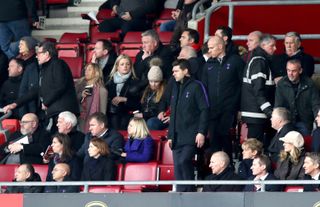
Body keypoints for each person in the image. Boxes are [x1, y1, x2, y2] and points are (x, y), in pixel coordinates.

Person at [3, 41, 80, 134]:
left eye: (39, 53)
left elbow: (60, 86)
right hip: (54, 112)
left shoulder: (58, 64)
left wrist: (46, 102)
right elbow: (36, 90)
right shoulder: (44, 68)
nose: (36, 56)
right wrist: (15, 104)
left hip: (64, 112)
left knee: (64, 142)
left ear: (47, 54)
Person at [168, 59, 209, 192]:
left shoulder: (197, 86)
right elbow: (173, 113)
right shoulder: (175, 87)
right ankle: (181, 194)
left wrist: (201, 132)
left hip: (191, 135)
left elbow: (205, 110)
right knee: (178, 167)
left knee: (183, 161)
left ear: (185, 71)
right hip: (176, 136)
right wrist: (170, 135)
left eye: (176, 71)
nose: (173, 73)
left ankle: (189, 192)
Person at [202, 35, 245, 159]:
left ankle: (229, 168)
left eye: (211, 48)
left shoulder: (236, 61)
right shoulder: (208, 65)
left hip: (230, 109)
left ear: (220, 47)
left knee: (226, 138)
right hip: (212, 110)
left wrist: (240, 108)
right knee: (214, 140)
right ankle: (216, 170)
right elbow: (204, 88)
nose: (209, 51)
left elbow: (243, 86)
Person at [241, 34, 277, 143]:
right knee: (255, 149)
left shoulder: (259, 60)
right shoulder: (259, 62)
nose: (275, 49)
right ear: (263, 45)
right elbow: (258, 91)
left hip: (256, 113)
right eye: (272, 46)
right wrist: (270, 112)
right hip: (257, 114)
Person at [274, 59, 320, 136]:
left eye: (294, 71)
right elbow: (278, 106)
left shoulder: (309, 84)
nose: (290, 73)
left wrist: (317, 120)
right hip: (287, 122)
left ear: (300, 70)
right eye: (288, 70)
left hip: (304, 122)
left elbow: (315, 104)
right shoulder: (281, 84)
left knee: (304, 145)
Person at [106, 54, 141, 130]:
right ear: (117, 66)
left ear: (131, 66)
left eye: (127, 64)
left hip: (128, 113)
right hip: (112, 113)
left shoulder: (135, 81)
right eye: (122, 64)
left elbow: (139, 103)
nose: (125, 66)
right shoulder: (109, 81)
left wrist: (125, 99)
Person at [75, 63, 108, 133]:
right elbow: (72, 99)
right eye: (86, 69)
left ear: (96, 72)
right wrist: (81, 95)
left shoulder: (102, 91)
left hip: (93, 123)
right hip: (78, 118)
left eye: (89, 69)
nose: (86, 71)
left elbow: (102, 112)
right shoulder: (78, 84)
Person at [138, 58, 167, 130]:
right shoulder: (146, 90)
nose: (153, 84)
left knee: (151, 123)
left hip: (156, 118)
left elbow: (159, 111)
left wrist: (143, 115)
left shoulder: (165, 91)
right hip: (146, 116)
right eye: (151, 81)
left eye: (156, 81)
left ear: (160, 81)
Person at [17, 36, 39, 117]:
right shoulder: (21, 60)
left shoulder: (33, 63)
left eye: (22, 44)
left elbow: (32, 87)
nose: (19, 46)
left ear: (29, 46)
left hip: (30, 104)